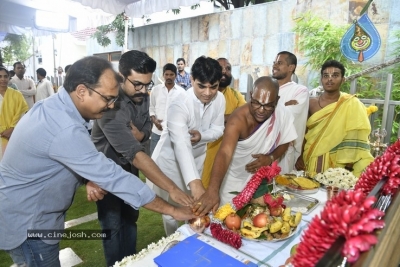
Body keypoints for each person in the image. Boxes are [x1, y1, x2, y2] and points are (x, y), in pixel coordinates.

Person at [0, 56, 195, 267]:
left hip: (36, 215)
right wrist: (174, 210)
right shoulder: (64, 127)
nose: (111, 106)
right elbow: (113, 176)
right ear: (82, 91)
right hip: (29, 223)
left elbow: (67, 157)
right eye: (108, 99)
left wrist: (88, 178)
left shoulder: (58, 107)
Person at [91, 51, 192, 266]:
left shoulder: (142, 96)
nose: (143, 91)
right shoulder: (110, 104)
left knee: (130, 220)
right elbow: (136, 154)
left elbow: (147, 128)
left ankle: (131, 262)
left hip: (128, 169)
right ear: (121, 76)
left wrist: (142, 134)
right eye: (137, 84)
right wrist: (172, 188)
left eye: (147, 84)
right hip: (106, 174)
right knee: (112, 226)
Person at [194, 76, 297, 213]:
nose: (261, 110)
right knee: (228, 221)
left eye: (268, 105)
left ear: (277, 101)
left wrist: (270, 158)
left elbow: (285, 141)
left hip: (261, 183)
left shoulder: (282, 114)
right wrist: (213, 190)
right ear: (250, 96)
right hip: (233, 181)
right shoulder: (238, 119)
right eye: (256, 103)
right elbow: (225, 153)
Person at [152, 56, 225, 235]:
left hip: (197, 160)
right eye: (202, 86)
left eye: (213, 87)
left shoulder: (220, 99)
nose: (208, 93)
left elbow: (218, 129)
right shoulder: (179, 103)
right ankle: (172, 240)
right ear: (191, 79)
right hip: (170, 164)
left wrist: (202, 136)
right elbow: (181, 144)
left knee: (193, 209)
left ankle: (193, 238)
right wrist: (196, 184)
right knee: (172, 211)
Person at [295, 60, 374, 177]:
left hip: (339, 161)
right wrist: (300, 156)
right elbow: (304, 132)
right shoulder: (311, 103)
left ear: (343, 79)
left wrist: (350, 164)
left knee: (332, 191)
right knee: (311, 188)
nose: (330, 79)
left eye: (335, 75)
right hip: (313, 155)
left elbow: (356, 135)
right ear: (321, 79)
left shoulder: (351, 103)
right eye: (326, 76)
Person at [201, 57, 246, 188]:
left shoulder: (236, 95)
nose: (225, 72)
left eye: (228, 69)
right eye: (221, 68)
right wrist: (230, 117)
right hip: (205, 150)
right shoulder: (204, 95)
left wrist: (221, 119)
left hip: (229, 150)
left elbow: (243, 118)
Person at [272, 51, 309, 173]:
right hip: (262, 145)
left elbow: (292, 115)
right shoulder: (267, 87)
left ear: (291, 67)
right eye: (274, 63)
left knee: (280, 187)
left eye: (280, 63)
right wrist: (284, 105)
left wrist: (272, 106)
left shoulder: (300, 91)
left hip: (285, 148)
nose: (275, 66)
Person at [149, 63, 186, 155]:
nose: (169, 77)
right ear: (163, 75)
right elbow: (151, 108)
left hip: (173, 134)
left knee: (170, 162)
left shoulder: (182, 93)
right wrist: (155, 121)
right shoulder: (155, 90)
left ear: (176, 76)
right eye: (166, 74)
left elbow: (184, 113)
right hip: (157, 132)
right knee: (154, 160)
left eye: (171, 74)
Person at [0, 66, 28, 158]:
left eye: (5, 76)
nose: (3, 79)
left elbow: (22, 114)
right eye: (0, 76)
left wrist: (12, 128)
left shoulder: (17, 95)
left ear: (9, 78)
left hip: (14, 134)